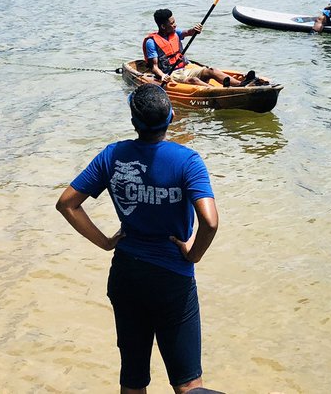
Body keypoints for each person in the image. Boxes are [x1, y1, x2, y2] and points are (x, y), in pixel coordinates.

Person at [56, 83, 219, 394]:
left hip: (126, 275)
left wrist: (105, 242)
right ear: (171, 116)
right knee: (188, 383)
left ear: (134, 123)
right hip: (172, 279)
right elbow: (209, 222)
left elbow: (67, 204)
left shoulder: (112, 156)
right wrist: (192, 253)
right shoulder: (187, 161)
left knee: (132, 379)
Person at [144, 9, 255, 88]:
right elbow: (154, 67)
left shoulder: (175, 32)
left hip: (185, 68)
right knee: (194, 80)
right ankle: (218, 91)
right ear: (163, 26)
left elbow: (188, 32)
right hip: (171, 73)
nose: (175, 25)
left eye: (174, 22)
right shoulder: (151, 42)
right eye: (172, 23)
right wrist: (163, 76)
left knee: (211, 70)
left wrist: (195, 29)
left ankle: (240, 85)